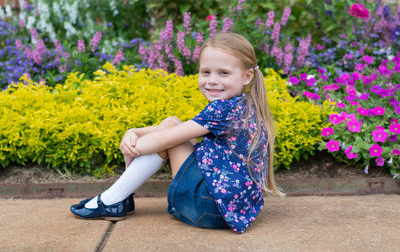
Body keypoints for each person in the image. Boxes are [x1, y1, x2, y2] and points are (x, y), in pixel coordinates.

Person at [70, 33, 284, 233]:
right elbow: (177, 128)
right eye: (206, 72)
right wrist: (133, 131)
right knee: (171, 122)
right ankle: (119, 197)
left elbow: (163, 139)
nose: (212, 80)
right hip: (231, 208)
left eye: (223, 73)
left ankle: (112, 199)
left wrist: (130, 147)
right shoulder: (245, 103)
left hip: (209, 209)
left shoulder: (223, 109)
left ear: (247, 76)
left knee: (168, 134)